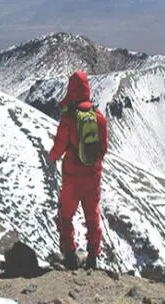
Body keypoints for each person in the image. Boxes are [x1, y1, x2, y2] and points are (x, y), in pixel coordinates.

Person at [49, 71, 108, 270]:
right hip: (92, 177)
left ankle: (70, 256)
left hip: (72, 177)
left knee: (66, 215)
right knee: (92, 216)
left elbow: (59, 147)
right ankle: (92, 257)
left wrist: (51, 157)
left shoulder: (68, 118)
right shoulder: (99, 117)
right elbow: (104, 149)